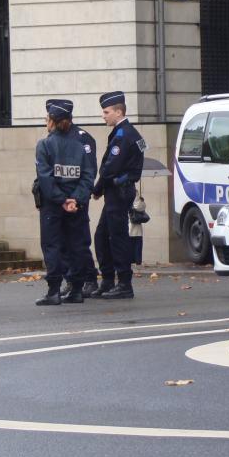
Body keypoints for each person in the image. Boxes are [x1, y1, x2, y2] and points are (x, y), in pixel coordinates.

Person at [34, 99, 96, 306]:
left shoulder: (44, 145)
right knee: (76, 245)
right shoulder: (81, 146)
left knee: (52, 246)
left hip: (53, 205)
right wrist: (75, 200)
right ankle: (76, 290)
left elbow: (45, 178)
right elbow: (88, 177)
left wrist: (61, 200)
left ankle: (54, 291)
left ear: (52, 121)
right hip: (75, 205)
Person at [88, 91, 145, 300]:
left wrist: (97, 189)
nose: (103, 116)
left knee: (117, 237)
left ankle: (124, 283)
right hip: (117, 191)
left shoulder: (124, 135)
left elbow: (111, 167)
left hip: (119, 191)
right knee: (102, 235)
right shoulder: (127, 133)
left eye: (106, 111)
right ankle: (108, 280)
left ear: (118, 111)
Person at [58, 122, 102, 300]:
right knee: (63, 243)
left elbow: (89, 171)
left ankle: (89, 279)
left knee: (79, 242)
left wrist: (78, 197)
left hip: (77, 198)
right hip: (61, 199)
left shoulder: (82, 138)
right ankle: (71, 279)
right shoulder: (55, 138)